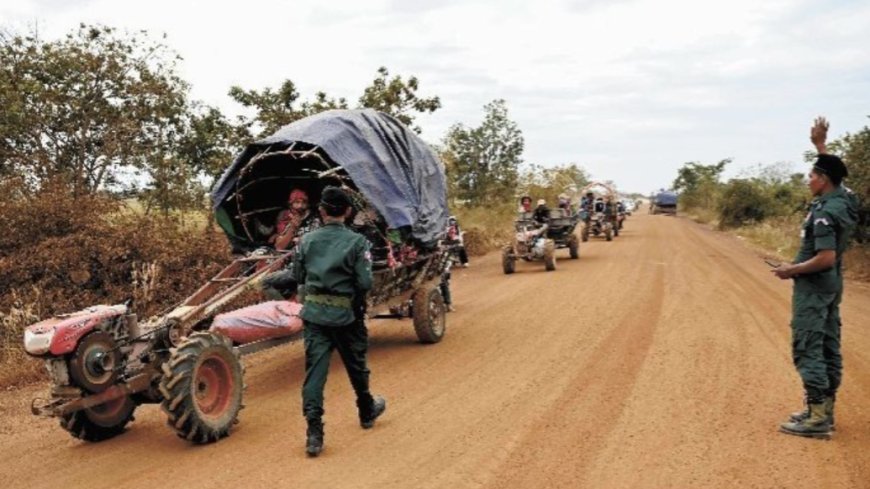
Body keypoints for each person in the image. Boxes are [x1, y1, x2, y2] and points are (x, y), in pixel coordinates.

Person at [772, 117, 858, 439]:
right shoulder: (844, 200)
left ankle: (817, 418)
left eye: (812, 175)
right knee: (827, 343)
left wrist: (789, 270)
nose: (808, 180)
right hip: (832, 286)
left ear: (823, 179)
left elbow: (825, 258)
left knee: (808, 345)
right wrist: (821, 148)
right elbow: (840, 177)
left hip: (815, 286)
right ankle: (823, 410)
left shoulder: (824, 212)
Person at [291, 186, 386, 456]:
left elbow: (297, 275)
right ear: (347, 211)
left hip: (315, 317)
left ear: (321, 211)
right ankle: (366, 410)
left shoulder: (306, 241)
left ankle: (314, 433)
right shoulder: (358, 243)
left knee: (315, 374)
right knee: (356, 365)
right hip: (347, 317)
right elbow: (365, 282)